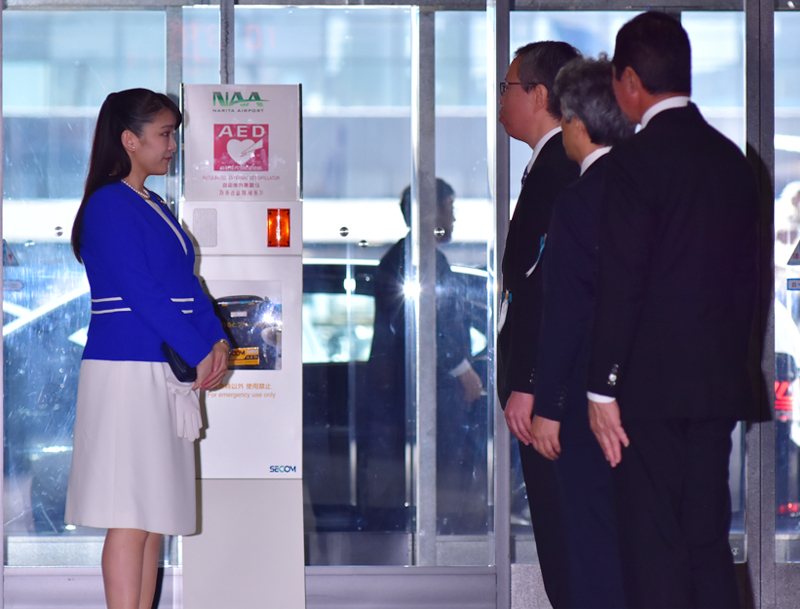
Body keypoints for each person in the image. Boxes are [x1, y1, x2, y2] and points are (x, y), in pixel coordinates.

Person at [586, 12, 761, 608]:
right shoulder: (734, 162)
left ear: (629, 80)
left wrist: (602, 388)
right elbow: (749, 284)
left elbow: (622, 280)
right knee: (706, 543)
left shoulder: (634, 163)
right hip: (715, 389)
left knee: (654, 547)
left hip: (647, 395)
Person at [65, 88, 230, 609]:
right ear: (129, 140)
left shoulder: (151, 203)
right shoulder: (110, 203)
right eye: (165, 134)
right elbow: (141, 291)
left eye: (173, 134)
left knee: (154, 513)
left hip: (158, 368)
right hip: (127, 372)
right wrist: (199, 348)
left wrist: (218, 340)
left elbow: (188, 284)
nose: (173, 144)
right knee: (131, 513)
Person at [531, 55, 634, 608]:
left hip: (587, 403)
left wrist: (548, 406)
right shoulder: (650, 189)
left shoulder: (576, 201)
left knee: (591, 543)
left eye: (565, 120)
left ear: (579, 124)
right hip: (648, 399)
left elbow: (565, 312)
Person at [496, 41, 580, 607]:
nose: (500, 100)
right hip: (543, 386)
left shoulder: (558, 172)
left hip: (549, 392)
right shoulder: (546, 166)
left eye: (507, 87)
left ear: (540, 95)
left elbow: (548, 290)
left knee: (563, 530)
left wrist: (528, 381)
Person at [366, 179, 485, 533]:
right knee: (439, 473)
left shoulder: (422, 257)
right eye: (450, 207)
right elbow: (428, 323)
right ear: (430, 212)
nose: (454, 217)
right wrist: (463, 368)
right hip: (417, 391)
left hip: (423, 391)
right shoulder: (411, 261)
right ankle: (439, 536)